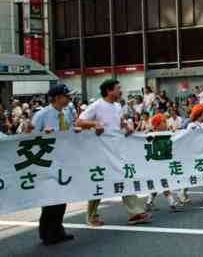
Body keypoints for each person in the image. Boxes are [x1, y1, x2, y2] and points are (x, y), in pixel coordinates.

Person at [76, 79, 151, 226]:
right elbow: (79, 122)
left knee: (125, 177)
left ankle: (135, 213)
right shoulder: (97, 105)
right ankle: (91, 216)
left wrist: (126, 126)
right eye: (118, 88)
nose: (121, 91)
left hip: (117, 150)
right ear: (109, 91)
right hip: (102, 152)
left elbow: (119, 121)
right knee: (100, 182)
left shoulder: (117, 106)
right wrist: (94, 124)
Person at [31, 84, 75, 246]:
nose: (69, 98)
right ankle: (47, 234)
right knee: (50, 199)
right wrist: (42, 134)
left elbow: (69, 132)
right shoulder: (42, 115)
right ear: (57, 98)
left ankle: (58, 230)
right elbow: (29, 136)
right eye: (66, 95)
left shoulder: (66, 113)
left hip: (63, 160)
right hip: (47, 163)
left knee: (62, 198)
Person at [145, 114, 184, 212]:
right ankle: (172, 203)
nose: (166, 123)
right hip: (156, 163)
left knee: (158, 183)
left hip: (165, 161)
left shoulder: (168, 134)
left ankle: (149, 202)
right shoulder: (151, 136)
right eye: (163, 122)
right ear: (157, 125)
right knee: (163, 181)